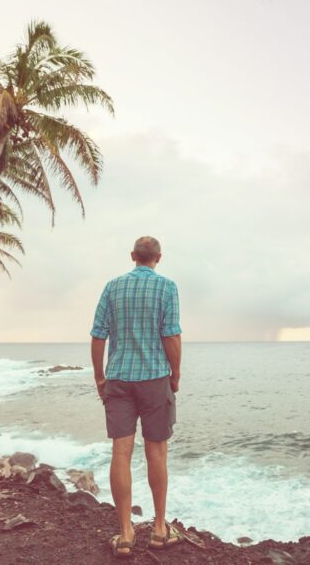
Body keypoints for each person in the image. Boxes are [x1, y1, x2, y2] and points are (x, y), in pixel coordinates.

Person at [90, 236, 183, 558]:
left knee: (121, 451)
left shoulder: (112, 287)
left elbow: (98, 334)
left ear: (133, 256)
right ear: (158, 257)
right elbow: (170, 334)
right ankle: (159, 528)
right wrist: (176, 373)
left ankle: (126, 532)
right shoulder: (167, 287)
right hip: (155, 378)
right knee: (156, 452)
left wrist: (99, 376)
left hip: (118, 379)